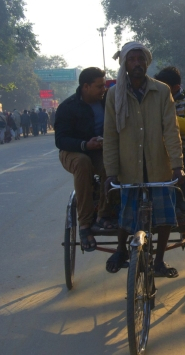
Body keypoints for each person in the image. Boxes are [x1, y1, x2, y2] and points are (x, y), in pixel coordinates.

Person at [104, 42, 185, 278]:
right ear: (125, 64)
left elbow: (171, 130)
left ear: (146, 63)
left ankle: (159, 261)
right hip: (129, 166)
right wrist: (111, 171)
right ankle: (120, 250)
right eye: (132, 59)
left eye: (141, 59)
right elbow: (110, 135)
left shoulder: (161, 91)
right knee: (126, 214)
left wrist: (178, 166)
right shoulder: (114, 95)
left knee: (164, 216)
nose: (137, 64)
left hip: (158, 165)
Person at [55, 67, 116, 252]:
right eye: (99, 87)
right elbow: (61, 140)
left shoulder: (107, 102)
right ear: (86, 87)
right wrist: (84, 144)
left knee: (111, 162)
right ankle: (84, 224)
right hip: (72, 152)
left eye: (104, 86)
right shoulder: (67, 107)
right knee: (83, 162)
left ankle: (104, 214)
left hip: (100, 150)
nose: (102, 90)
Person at [155, 66, 185, 220]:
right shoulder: (154, 101)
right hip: (158, 151)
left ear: (175, 87)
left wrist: (166, 120)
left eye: (165, 87)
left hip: (184, 151)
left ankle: (182, 200)